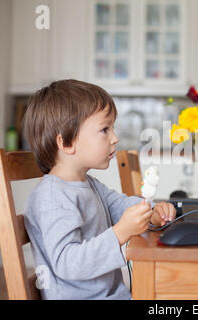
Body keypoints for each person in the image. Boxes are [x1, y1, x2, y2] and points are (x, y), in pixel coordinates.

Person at [22, 79, 176, 299]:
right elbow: (68, 263)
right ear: (66, 143)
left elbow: (121, 206)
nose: (115, 138)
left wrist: (152, 213)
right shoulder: (52, 197)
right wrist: (121, 232)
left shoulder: (87, 183)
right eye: (105, 129)